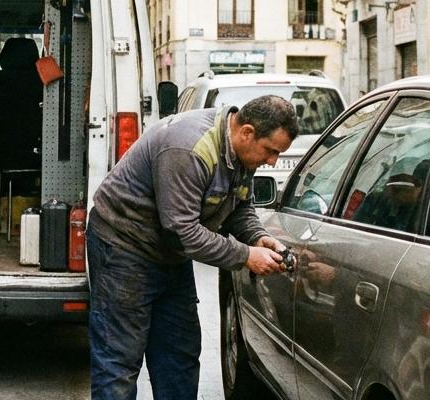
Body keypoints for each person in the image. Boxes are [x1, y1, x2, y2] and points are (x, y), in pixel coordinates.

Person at [85, 95, 297, 399]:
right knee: (119, 359)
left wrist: (257, 237)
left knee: (179, 356)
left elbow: (239, 206)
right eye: (271, 151)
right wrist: (246, 255)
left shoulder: (240, 151)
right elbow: (182, 231)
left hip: (168, 253)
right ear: (247, 132)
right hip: (123, 247)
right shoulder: (188, 148)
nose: (273, 161)